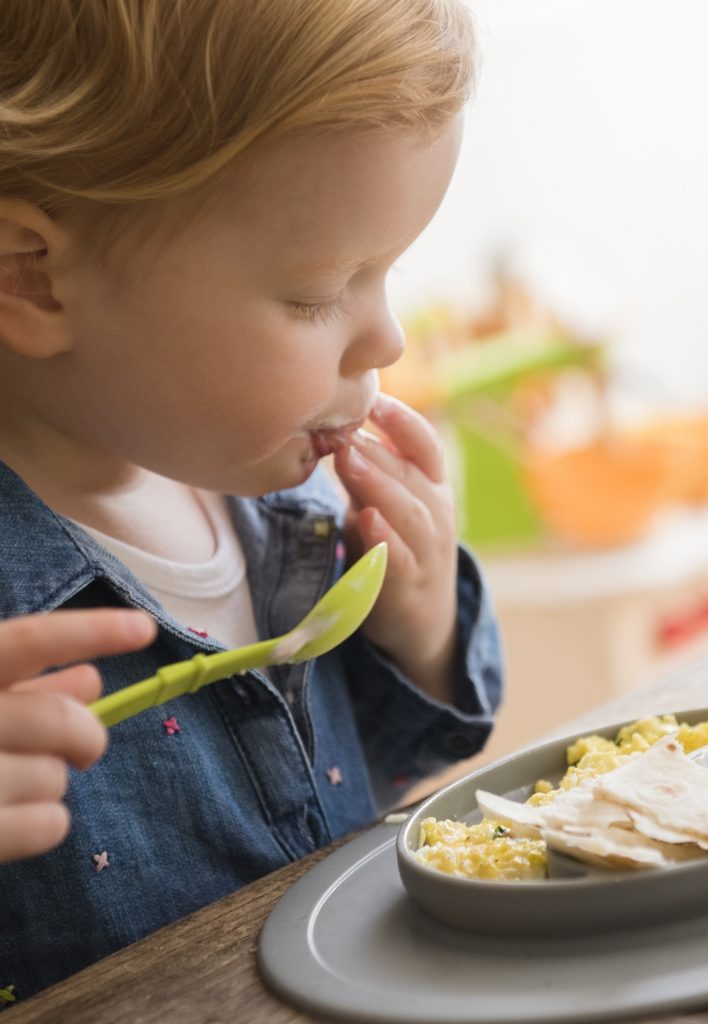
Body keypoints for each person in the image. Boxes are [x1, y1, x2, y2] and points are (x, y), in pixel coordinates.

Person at [0, 0, 502, 1002]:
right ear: (34, 280)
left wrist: (420, 636)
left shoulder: (294, 506)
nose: (387, 339)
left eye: (387, 273)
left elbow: (370, 798)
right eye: (319, 294)